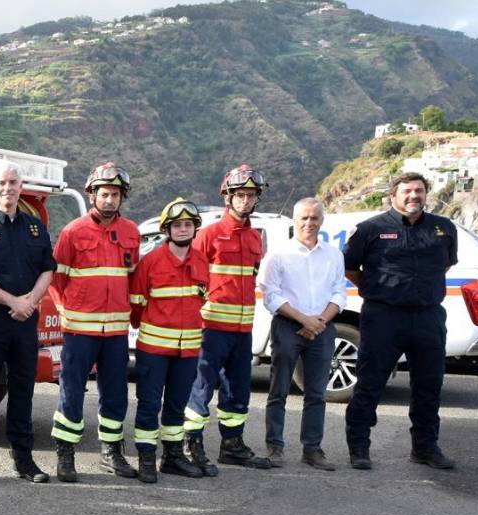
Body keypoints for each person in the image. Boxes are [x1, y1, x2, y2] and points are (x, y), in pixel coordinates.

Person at [343, 172, 458, 471]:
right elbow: (350, 267)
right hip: (384, 316)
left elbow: (445, 264)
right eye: (407, 191)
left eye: (419, 190)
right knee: (369, 384)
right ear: (393, 195)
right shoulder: (370, 229)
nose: (413, 196)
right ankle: (359, 446)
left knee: (429, 386)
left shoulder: (443, 229)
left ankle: (425, 448)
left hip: (428, 316)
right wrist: (375, 288)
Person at [0, 159, 56, 484]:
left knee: (22, 390)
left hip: (25, 322)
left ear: (20, 187)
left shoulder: (35, 228)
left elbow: (48, 268)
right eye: (1, 183)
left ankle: (24, 461)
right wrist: (13, 301)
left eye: (13, 183)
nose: (7, 188)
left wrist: (30, 301)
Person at [48, 163, 140, 483]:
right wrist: (65, 311)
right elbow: (56, 278)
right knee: (71, 391)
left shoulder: (131, 232)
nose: (110, 200)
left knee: (115, 393)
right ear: (93, 195)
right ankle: (65, 453)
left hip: (115, 332)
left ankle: (111, 453)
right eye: (104, 194)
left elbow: (133, 278)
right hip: (79, 331)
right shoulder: (73, 231)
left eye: (115, 194)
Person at [185, 164, 275, 474]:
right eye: (240, 195)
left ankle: (232, 445)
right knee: (200, 387)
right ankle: (191, 443)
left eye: (251, 196)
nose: (246, 201)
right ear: (228, 197)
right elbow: (192, 281)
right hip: (212, 329)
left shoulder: (254, 238)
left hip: (242, 329)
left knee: (238, 389)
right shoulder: (209, 235)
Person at [259, 197, 345, 471]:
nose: (309, 223)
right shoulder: (278, 254)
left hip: (322, 328)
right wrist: (303, 319)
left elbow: (338, 292)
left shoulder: (334, 255)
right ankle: (275, 447)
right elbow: (270, 295)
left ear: (322, 220)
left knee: (317, 393)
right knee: (279, 389)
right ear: (295, 221)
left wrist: (319, 321)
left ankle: (312, 449)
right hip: (288, 326)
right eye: (304, 218)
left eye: (314, 218)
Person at [128, 199, 211, 483]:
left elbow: (202, 299)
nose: (184, 229)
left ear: (195, 228)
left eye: (188, 224)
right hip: (154, 349)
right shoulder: (150, 261)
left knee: (177, 405)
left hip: (187, 350)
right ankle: (147, 457)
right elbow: (136, 306)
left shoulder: (201, 261)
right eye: (178, 225)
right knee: (149, 403)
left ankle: (173, 457)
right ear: (167, 229)